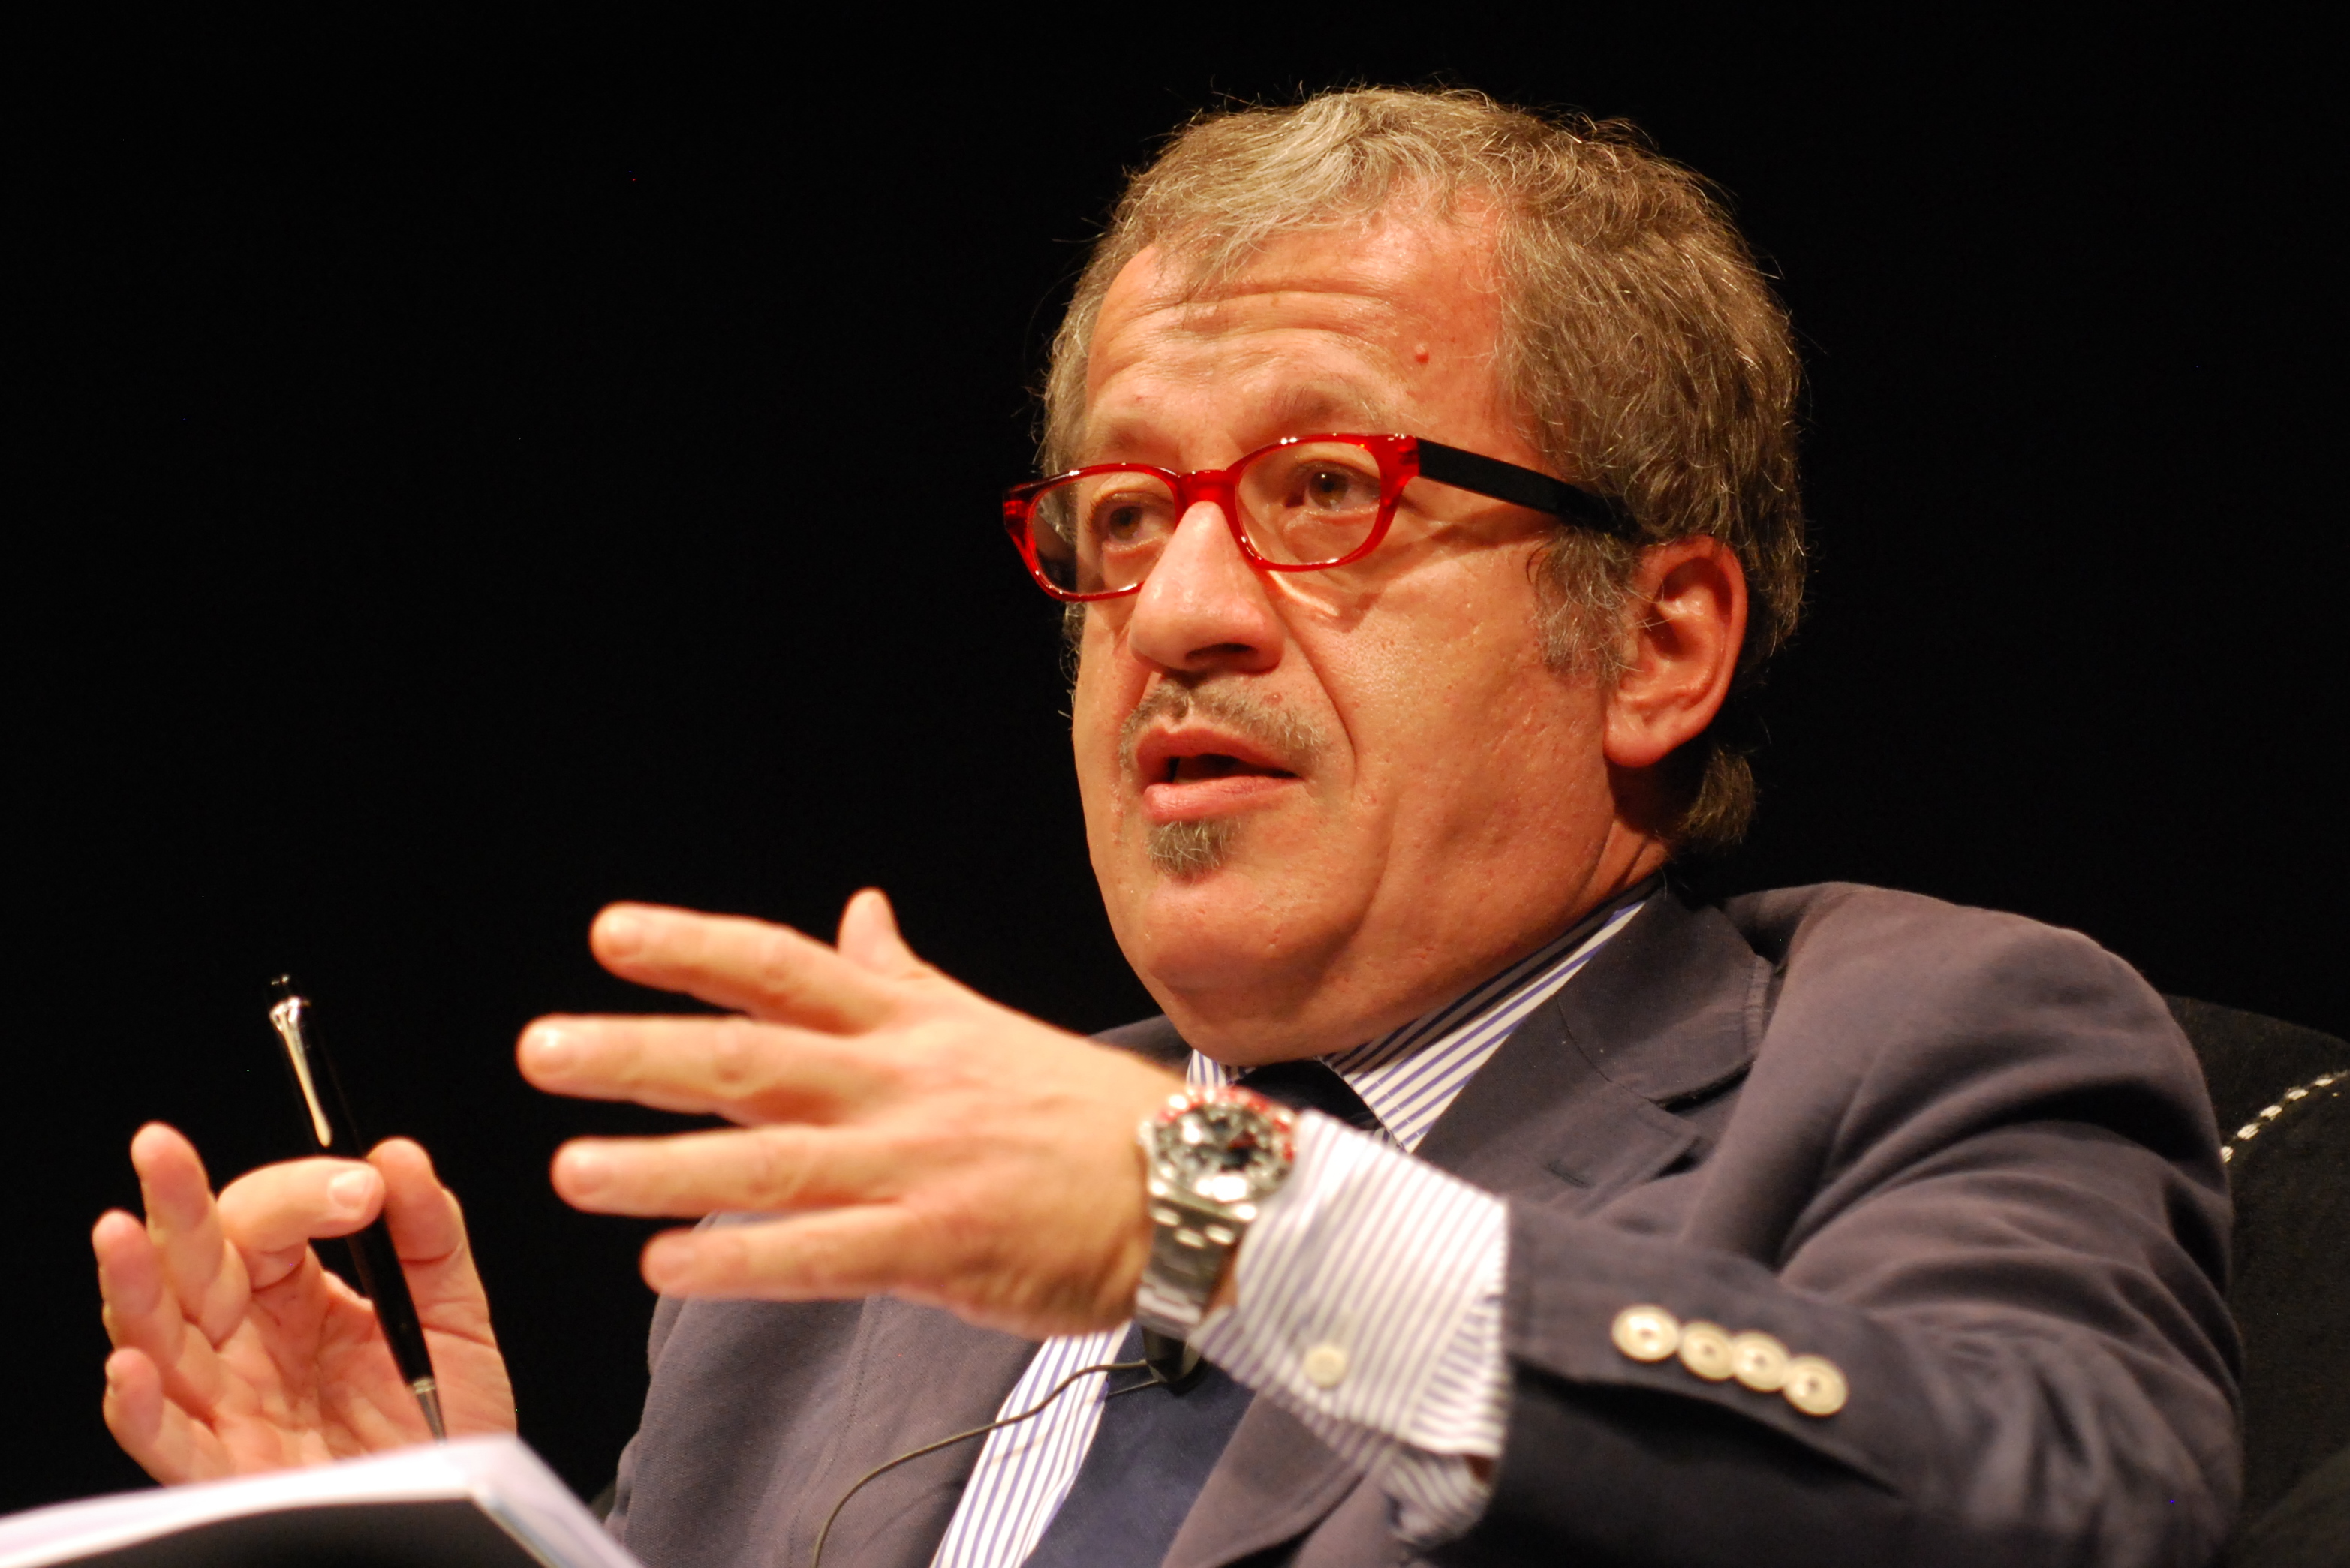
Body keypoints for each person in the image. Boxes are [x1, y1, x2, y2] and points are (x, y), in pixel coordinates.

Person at [89, 89, 2239, 1566]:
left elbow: (2068, 1512)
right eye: (1124, 515)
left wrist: (1224, 1221)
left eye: (1327, 493)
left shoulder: (1919, 1046)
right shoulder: (840, 1267)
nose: (1183, 609)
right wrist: (447, 1544)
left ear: (1659, 642)